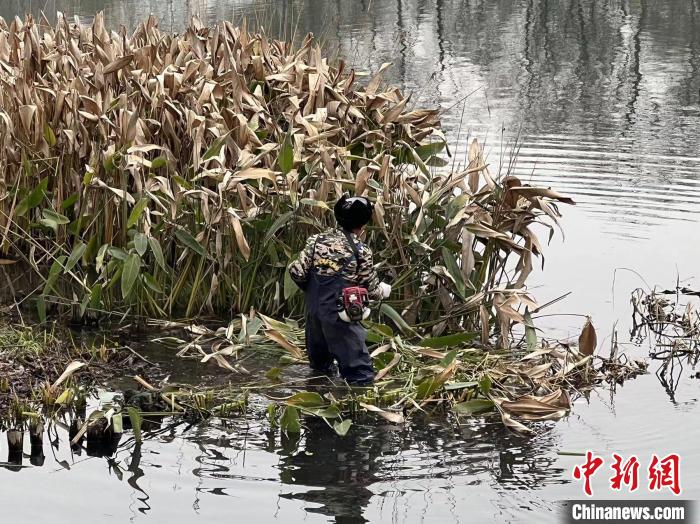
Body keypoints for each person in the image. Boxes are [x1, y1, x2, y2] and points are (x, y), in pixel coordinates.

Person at [288, 194, 391, 385]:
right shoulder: (361, 251)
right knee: (360, 374)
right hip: (341, 316)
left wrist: (312, 291)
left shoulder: (316, 241)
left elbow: (296, 271)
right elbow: (369, 287)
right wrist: (383, 291)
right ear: (363, 223)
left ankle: (317, 405)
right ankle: (356, 409)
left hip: (314, 315)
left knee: (319, 369)